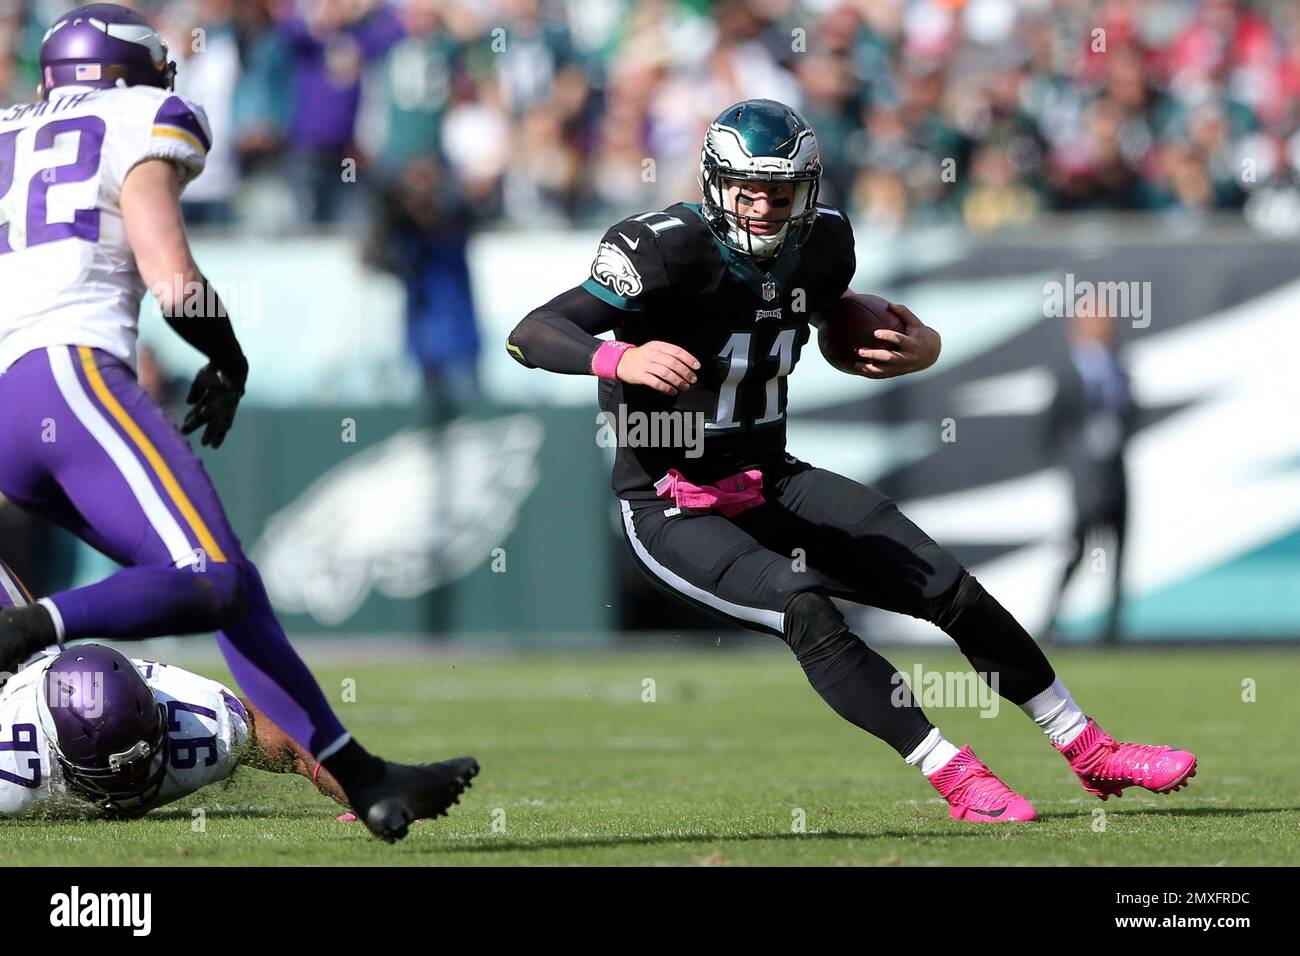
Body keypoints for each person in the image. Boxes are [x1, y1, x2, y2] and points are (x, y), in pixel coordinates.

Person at [508, 98, 1196, 822]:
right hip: (672, 500)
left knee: (945, 583)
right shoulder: (662, 248)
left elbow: (835, 319)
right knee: (803, 607)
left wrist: (919, 345)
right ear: (715, 185)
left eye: (782, 193)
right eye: (749, 190)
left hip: (771, 478)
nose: (765, 208)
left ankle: (1086, 746)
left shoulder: (824, 242)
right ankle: (955, 774)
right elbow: (533, 333)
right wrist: (618, 355)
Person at [0, 4, 476, 841]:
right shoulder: (137, 114)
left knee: (232, 585)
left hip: (10, 407)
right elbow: (174, 278)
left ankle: (362, 778)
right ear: (128, 72)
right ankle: (23, 632)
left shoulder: (9, 129)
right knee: (210, 574)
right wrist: (228, 357)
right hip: (67, 378)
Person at [0, 559, 351, 819]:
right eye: (117, 776)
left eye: (141, 763)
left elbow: (288, 735)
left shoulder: (196, 725)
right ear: (55, 747)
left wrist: (363, 789)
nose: (134, 782)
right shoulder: (12, 767)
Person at [1044, 307, 1136, 644]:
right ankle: (1051, 618)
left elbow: (1131, 416)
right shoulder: (1070, 371)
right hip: (1086, 480)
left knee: (1120, 552)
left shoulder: (1119, 367)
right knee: (1078, 549)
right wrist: (1072, 468)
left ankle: (1112, 627)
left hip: (1116, 475)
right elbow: (1052, 427)